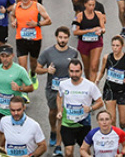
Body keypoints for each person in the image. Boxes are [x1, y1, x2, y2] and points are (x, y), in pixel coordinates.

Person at [37, 27, 81, 155]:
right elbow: (37, 69)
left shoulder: (73, 53)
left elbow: (76, 70)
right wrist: (47, 71)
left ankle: (58, 144)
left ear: (68, 38)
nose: (62, 40)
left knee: (61, 114)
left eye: (65, 38)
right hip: (52, 89)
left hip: (67, 90)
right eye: (60, 37)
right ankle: (53, 130)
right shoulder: (48, 52)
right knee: (53, 112)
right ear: (56, 37)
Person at [58, 59, 104, 157]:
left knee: (85, 152)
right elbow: (59, 96)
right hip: (67, 123)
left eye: (77, 71)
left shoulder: (90, 86)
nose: (74, 74)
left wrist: (90, 108)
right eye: (72, 71)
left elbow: (100, 102)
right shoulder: (63, 84)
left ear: (81, 71)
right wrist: (59, 110)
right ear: (68, 71)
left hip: (83, 123)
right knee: (68, 152)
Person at [97, 35, 125, 132]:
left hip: (123, 91)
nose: (115, 48)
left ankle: (124, 129)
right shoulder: (107, 57)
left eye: (117, 46)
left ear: (122, 46)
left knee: (122, 121)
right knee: (111, 120)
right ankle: (115, 138)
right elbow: (102, 71)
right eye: (113, 45)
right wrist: (97, 80)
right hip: (109, 90)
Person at [13, 0, 53, 83]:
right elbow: (12, 16)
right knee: (22, 66)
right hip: (21, 39)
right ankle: (26, 86)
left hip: (35, 40)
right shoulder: (16, 6)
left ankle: (33, 73)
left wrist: (37, 24)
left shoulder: (37, 6)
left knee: (33, 63)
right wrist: (14, 21)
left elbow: (48, 20)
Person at [0, 44, 35, 130]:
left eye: (7, 56)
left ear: (12, 55)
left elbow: (31, 87)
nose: (5, 59)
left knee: (14, 137)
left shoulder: (20, 70)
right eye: (2, 56)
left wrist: (19, 88)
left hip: (15, 111)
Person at [74, 0, 105, 82]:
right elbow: (75, 32)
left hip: (96, 43)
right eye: (90, 5)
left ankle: (92, 87)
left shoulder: (99, 15)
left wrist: (100, 31)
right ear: (85, 5)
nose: (92, 7)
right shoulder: (79, 16)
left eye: (93, 5)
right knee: (87, 68)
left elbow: (103, 28)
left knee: (94, 67)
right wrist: (89, 30)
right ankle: (88, 82)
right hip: (84, 43)